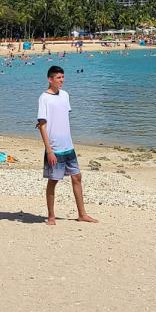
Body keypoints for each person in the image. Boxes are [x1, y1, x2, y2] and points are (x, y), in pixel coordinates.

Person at [36, 65, 96, 225]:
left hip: (68, 146)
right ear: (50, 79)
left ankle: (82, 214)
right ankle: (51, 216)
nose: (61, 80)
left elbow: (62, 119)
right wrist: (49, 150)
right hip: (54, 148)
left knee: (77, 177)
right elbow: (42, 124)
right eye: (58, 78)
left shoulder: (65, 95)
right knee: (53, 181)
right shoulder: (44, 98)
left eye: (62, 77)